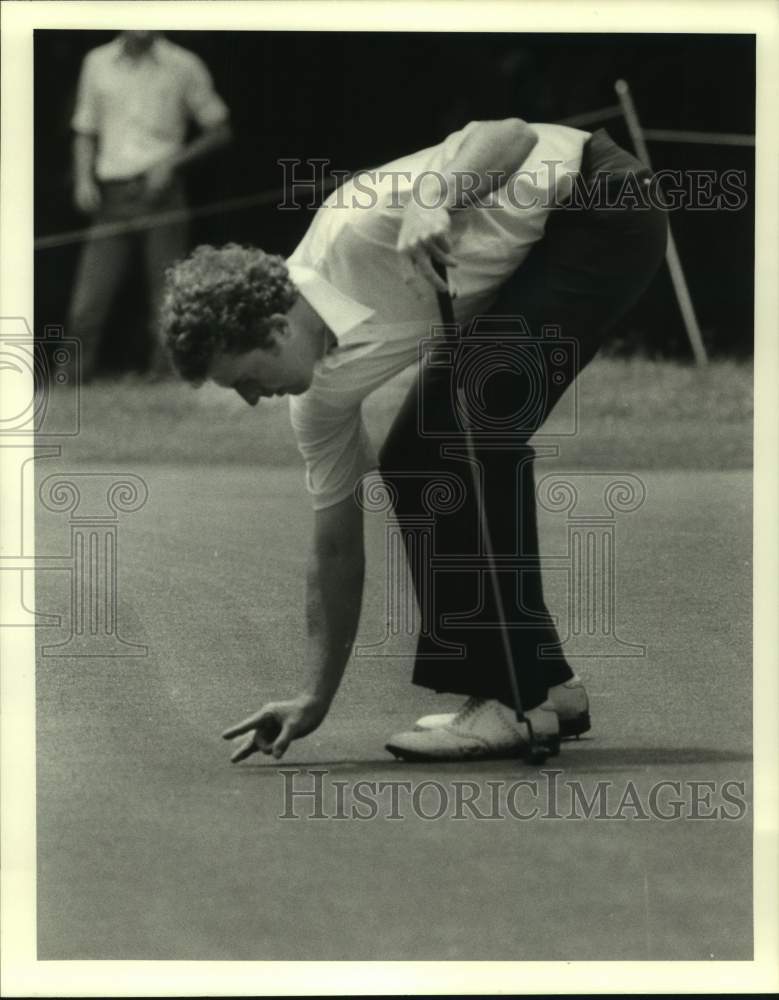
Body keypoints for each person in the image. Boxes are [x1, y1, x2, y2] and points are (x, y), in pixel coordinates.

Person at [160, 118, 668, 763]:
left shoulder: (357, 225)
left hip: (602, 202)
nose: (252, 399)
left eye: (245, 381)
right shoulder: (319, 403)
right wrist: (313, 699)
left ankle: (509, 699)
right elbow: (336, 546)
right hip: (544, 246)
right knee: (413, 458)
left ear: (272, 330)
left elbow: (509, 134)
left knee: (466, 428)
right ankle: (547, 688)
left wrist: (433, 198)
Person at [68, 30, 231, 381]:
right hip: (111, 196)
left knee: (167, 296)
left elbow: (219, 129)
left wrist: (171, 164)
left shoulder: (183, 64)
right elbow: (85, 128)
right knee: (87, 302)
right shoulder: (96, 62)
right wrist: (83, 179)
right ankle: (71, 381)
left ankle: (167, 380)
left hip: (163, 195)